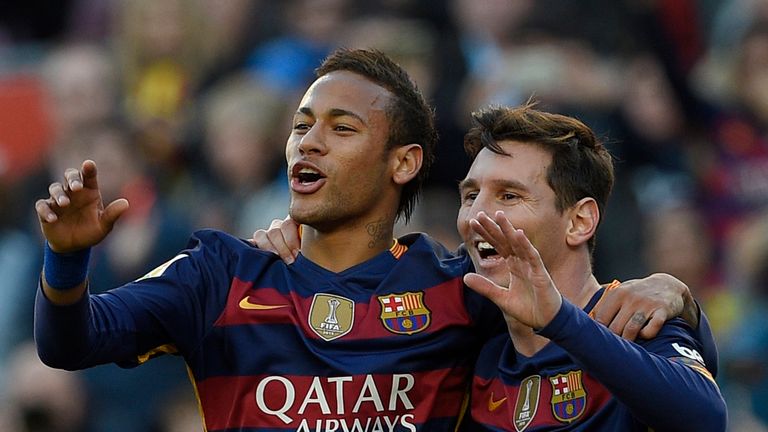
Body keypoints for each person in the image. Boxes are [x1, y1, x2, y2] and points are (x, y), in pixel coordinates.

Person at [35, 48, 707, 431]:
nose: (309, 140)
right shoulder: (220, 273)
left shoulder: (460, 293)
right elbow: (68, 342)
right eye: (301, 124)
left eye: (341, 127)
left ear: (404, 163)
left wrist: (675, 297)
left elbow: (575, 317)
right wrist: (67, 258)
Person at [456, 104, 726, 430]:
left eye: (509, 196)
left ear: (579, 221)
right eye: (471, 196)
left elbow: (706, 420)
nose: (475, 217)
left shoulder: (632, 319)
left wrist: (559, 321)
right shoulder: (475, 347)